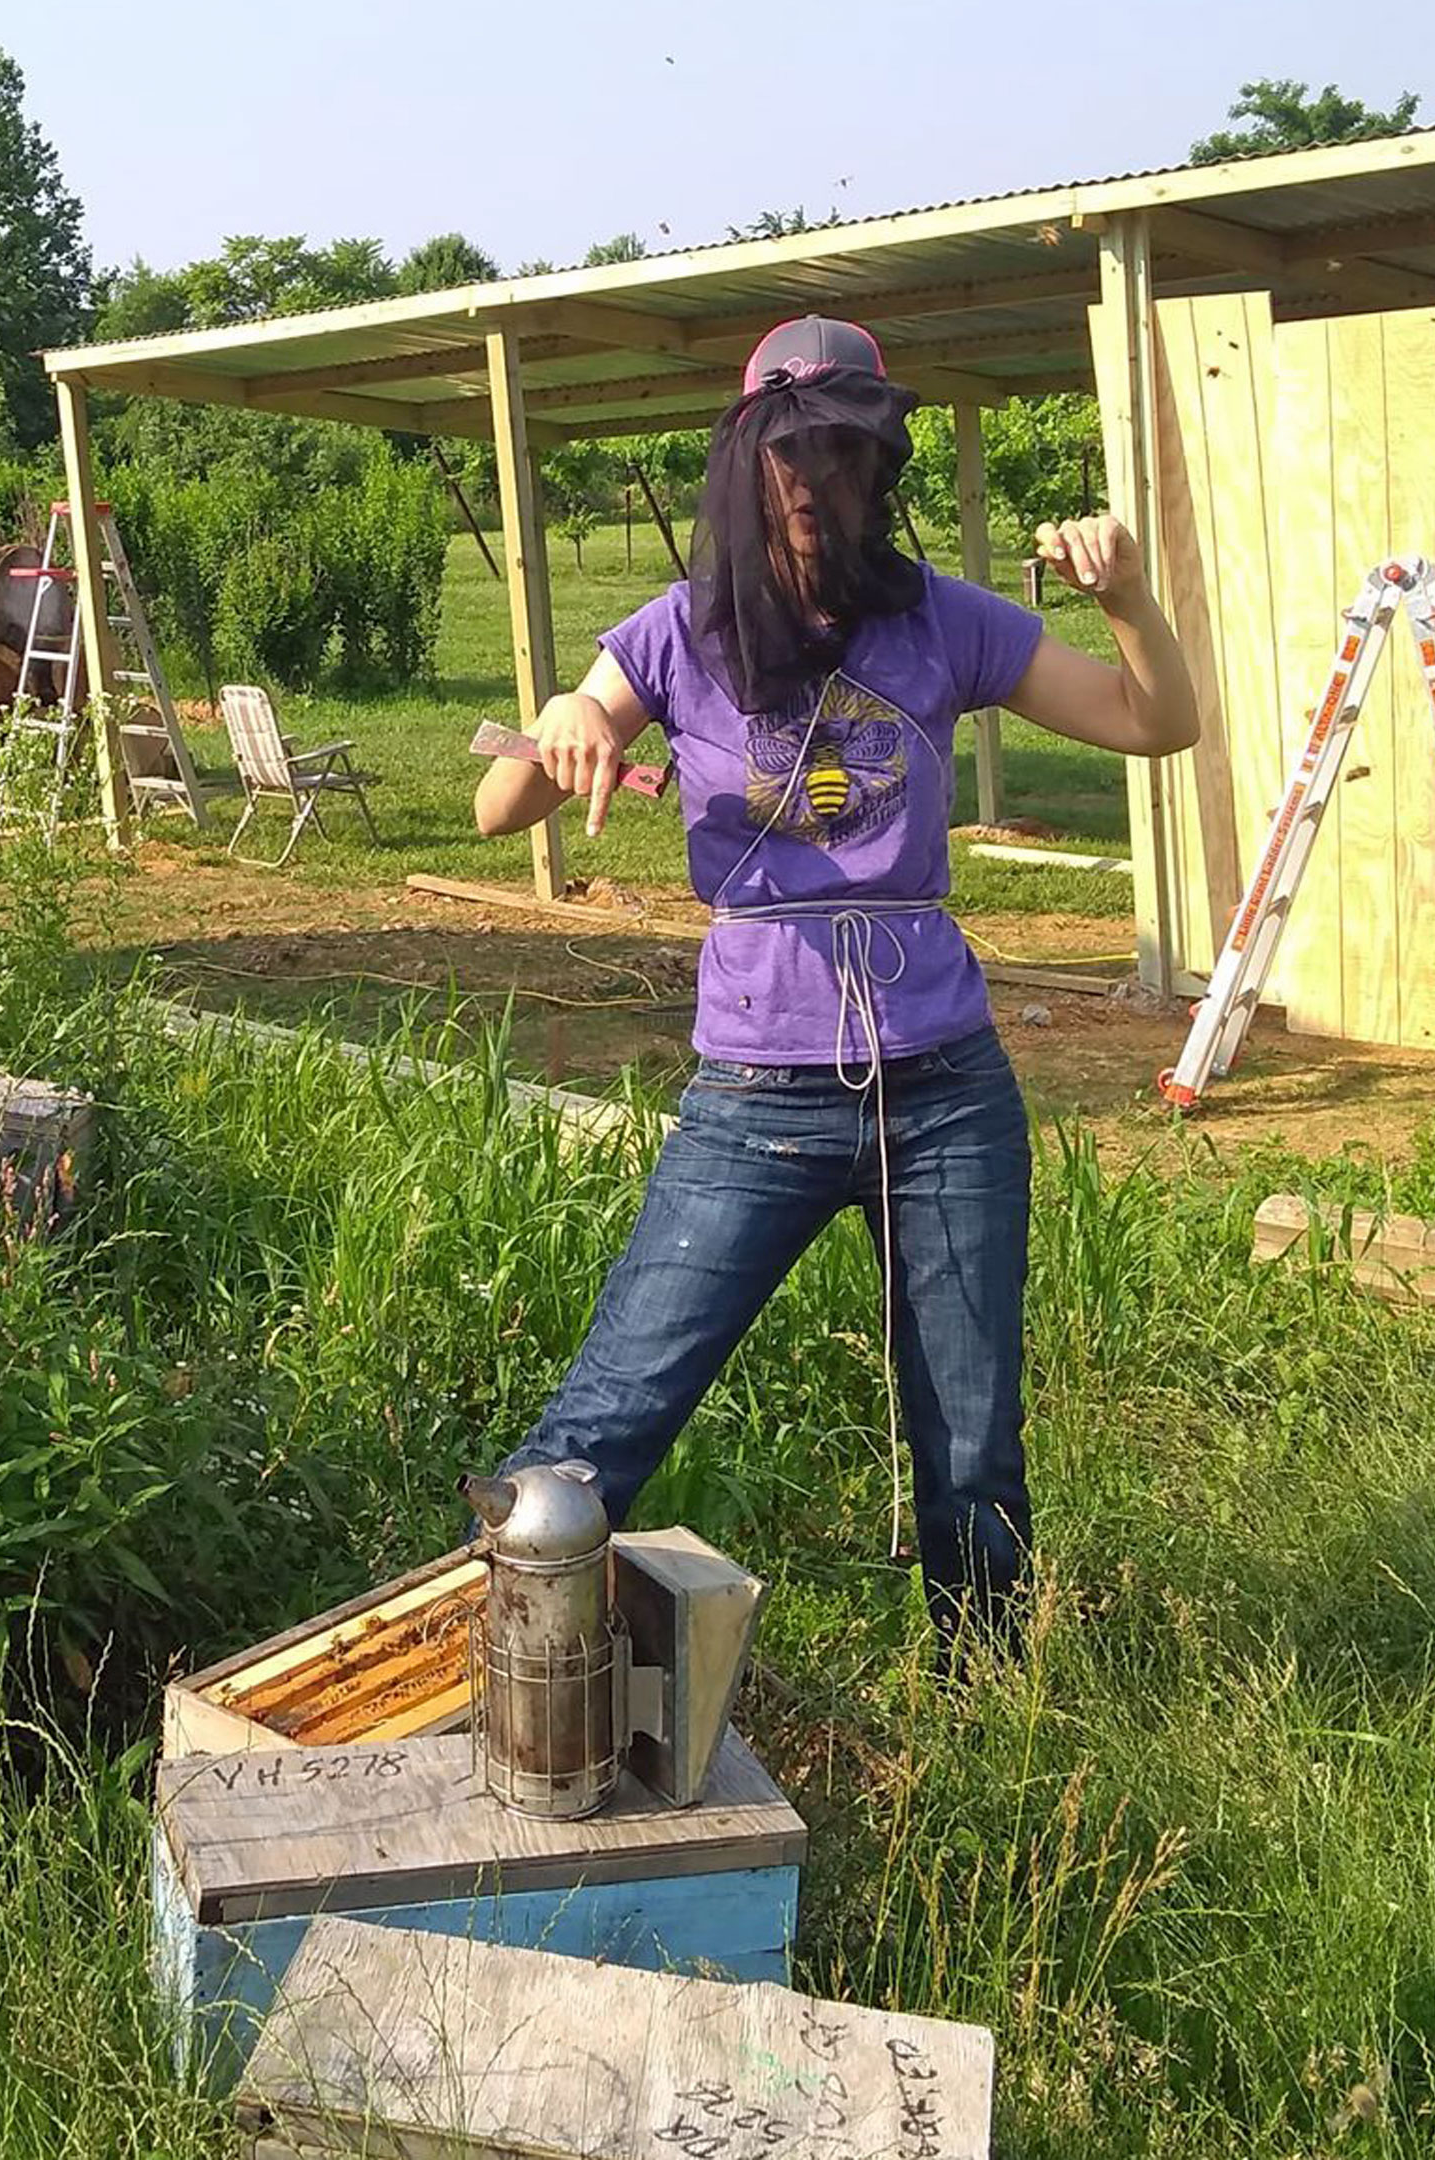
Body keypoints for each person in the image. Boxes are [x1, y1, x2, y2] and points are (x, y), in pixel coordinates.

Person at [469, 315, 1201, 1647]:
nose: (817, 485)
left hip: (946, 1092)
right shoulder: (675, 636)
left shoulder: (944, 623)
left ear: (881, 468)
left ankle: (985, 1726)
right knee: (602, 1427)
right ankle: (484, 1685)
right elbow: (494, 805)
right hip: (755, 1094)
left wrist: (1127, 602)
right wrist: (565, 715)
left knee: (972, 1449)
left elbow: (1158, 722)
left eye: (846, 457)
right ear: (748, 466)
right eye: (792, 458)